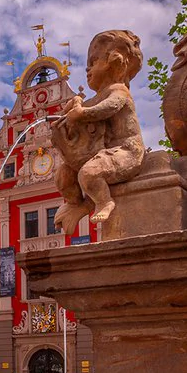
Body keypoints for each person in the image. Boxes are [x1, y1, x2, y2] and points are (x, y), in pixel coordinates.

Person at [51, 30, 145, 234]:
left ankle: (104, 201)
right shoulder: (97, 96)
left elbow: (109, 108)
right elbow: (73, 116)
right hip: (103, 153)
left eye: (93, 62)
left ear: (114, 62)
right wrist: (71, 109)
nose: (87, 69)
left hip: (126, 151)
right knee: (63, 175)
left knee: (89, 173)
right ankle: (76, 203)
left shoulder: (118, 90)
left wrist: (82, 112)